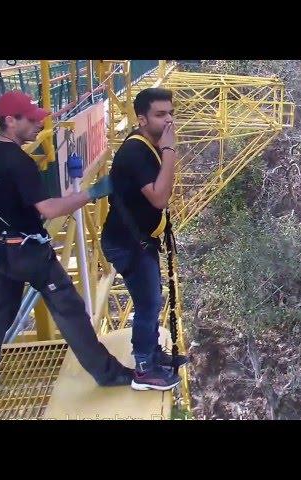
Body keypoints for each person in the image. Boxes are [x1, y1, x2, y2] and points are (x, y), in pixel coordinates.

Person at [0, 90, 133, 386]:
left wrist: (68, 107)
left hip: (1, 250)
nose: (38, 125)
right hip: (29, 253)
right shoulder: (20, 163)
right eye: (31, 120)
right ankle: (109, 374)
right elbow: (47, 208)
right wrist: (93, 192)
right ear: (9, 121)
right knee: (70, 311)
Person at [101, 88, 187, 392]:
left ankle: (152, 354)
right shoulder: (137, 152)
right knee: (149, 302)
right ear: (141, 119)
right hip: (127, 243)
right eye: (160, 114)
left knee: (152, 297)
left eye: (171, 113)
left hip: (137, 240)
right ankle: (144, 370)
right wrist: (169, 150)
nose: (168, 120)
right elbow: (160, 198)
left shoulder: (146, 146)